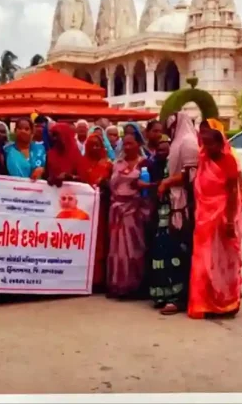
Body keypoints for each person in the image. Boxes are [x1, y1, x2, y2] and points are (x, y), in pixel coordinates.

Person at [188, 126, 242, 319]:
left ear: (220, 144)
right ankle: (204, 303)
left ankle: (227, 302)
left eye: (211, 143)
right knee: (203, 261)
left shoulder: (228, 161)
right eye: (205, 144)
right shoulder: (203, 161)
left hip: (222, 217)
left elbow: (232, 193)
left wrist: (229, 221)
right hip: (204, 217)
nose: (207, 147)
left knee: (223, 262)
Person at [147, 136, 190, 315]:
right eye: (159, 150)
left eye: (166, 150)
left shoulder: (178, 168)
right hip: (161, 216)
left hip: (175, 214)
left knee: (174, 255)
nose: (162, 153)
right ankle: (161, 295)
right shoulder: (153, 166)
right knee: (160, 255)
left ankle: (175, 297)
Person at [106, 134, 149, 298]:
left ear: (138, 144)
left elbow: (147, 186)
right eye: (125, 144)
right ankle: (118, 284)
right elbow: (112, 185)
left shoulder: (144, 164)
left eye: (131, 144)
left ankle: (135, 285)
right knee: (118, 248)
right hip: (118, 209)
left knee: (134, 247)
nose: (128, 147)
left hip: (136, 210)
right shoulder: (117, 164)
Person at [80, 131, 113, 291]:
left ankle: (99, 280)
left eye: (97, 145)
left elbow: (113, 185)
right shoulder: (81, 163)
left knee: (100, 242)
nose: (94, 148)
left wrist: (105, 185)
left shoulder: (108, 164)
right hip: (84, 210)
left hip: (102, 209)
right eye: (91, 145)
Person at [46, 123, 82, 187]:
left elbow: (83, 179)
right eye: (53, 136)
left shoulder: (76, 155)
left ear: (65, 136)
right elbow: (45, 176)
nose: (54, 139)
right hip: (53, 193)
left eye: (57, 135)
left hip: (71, 194)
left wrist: (69, 176)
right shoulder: (50, 154)